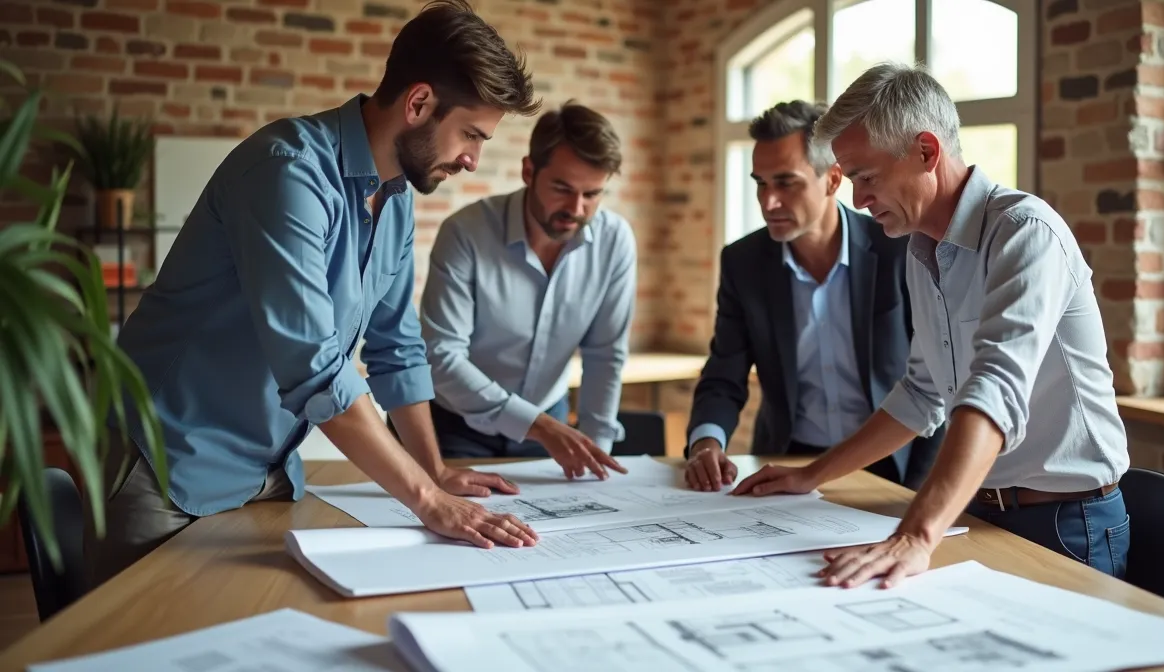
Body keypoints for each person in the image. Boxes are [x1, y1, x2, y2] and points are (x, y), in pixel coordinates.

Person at [86, 0, 544, 589]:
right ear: (419, 103)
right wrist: (426, 499)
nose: (472, 160)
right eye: (471, 136)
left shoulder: (396, 198)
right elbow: (317, 369)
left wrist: (434, 471)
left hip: (269, 469)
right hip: (170, 461)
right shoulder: (287, 171)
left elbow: (396, 349)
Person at [732, 63, 1131, 588]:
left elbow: (994, 389)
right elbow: (922, 394)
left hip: (1067, 523)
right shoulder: (920, 250)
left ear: (926, 151)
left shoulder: (1025, 233)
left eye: (867, 177)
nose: (858, 199)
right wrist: (812, 474)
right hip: (978, 514)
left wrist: (917, 535)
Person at [683, 100, 944, 492]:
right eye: (760, 183)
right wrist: (705, 442)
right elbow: (724, 375)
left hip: (894, 465)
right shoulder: (743, 262)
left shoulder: (900, 248)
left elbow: (939, 380)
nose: (768, 202)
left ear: (834, 179)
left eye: (786, 183)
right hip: (787, 461)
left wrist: (923, 487)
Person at [417, 100, 635, 481]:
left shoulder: (615, 241)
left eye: (593, 194)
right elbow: (441, 357)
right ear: (528, 171)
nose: (576, 209)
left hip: (550, 425)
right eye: (563, 189)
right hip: (456, 427)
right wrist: (535, 424)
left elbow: (605, 354)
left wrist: (596, 449)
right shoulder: (465, 234)